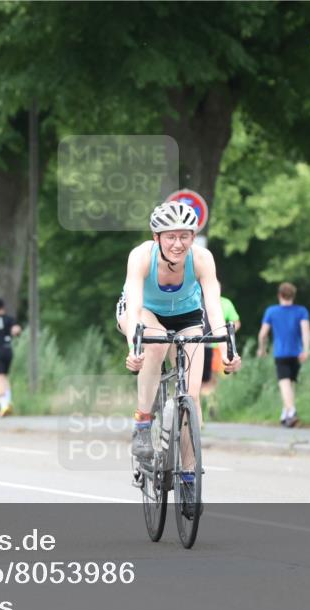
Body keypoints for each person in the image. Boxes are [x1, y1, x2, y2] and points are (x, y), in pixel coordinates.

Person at [117, 201, 241, 497]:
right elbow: (133, 305)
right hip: (143, 312)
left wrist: (226, 350)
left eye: (185, 236)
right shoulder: (140, 257)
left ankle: (188, 475)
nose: (178, 243)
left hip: (186, 315)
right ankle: (144, 423)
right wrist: (134, 347)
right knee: (155, 344)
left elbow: (213, 307)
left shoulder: (201, 259)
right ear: (156, 237)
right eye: (170, 236)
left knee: (192, 397)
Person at [257, 282, 310, 427]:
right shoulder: (302, 311)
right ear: (293, 295)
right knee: (291, 382)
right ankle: (285, 413)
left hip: (281, 352)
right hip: (296, 352)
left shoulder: (272, 311)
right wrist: (306, 349)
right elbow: (306, 331)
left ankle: (291, 411)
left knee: (284, 382)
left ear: (279, 295)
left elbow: (263, 334)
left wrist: (262, 349)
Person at [201, 291, 241, 395]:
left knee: (223, 376)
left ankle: (219, 401)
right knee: (207, 378)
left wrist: (225, 335)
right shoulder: (199, 302)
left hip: (221, 346)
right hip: (204, 345)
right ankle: (208, 403)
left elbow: (236, 322)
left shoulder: (226, 302)